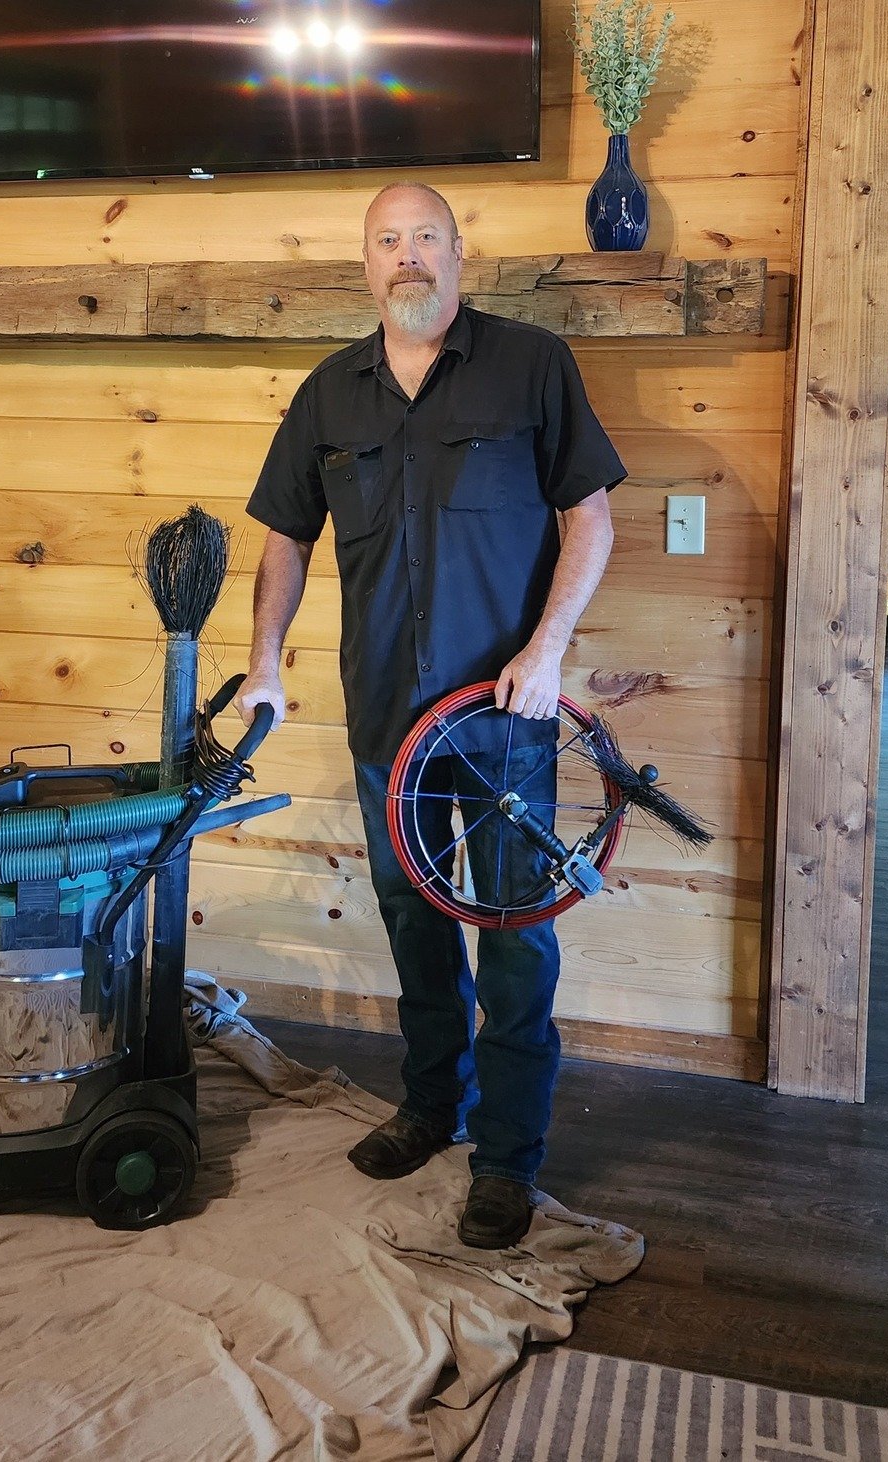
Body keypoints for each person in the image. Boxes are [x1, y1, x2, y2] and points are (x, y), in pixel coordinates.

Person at [238, 182, 623, 1249]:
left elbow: (589, 516)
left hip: (501, 723)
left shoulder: (531, 365)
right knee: (413, 919)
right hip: (386, 728)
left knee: (509, 939)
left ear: (462, 253)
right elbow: (284, 536)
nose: (407, 257)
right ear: (366, 264)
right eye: (387, 241)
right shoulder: (328, 395)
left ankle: (505, 1156)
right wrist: (263, 662)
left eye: (425, 238)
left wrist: (546, 653)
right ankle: (429, 1105)